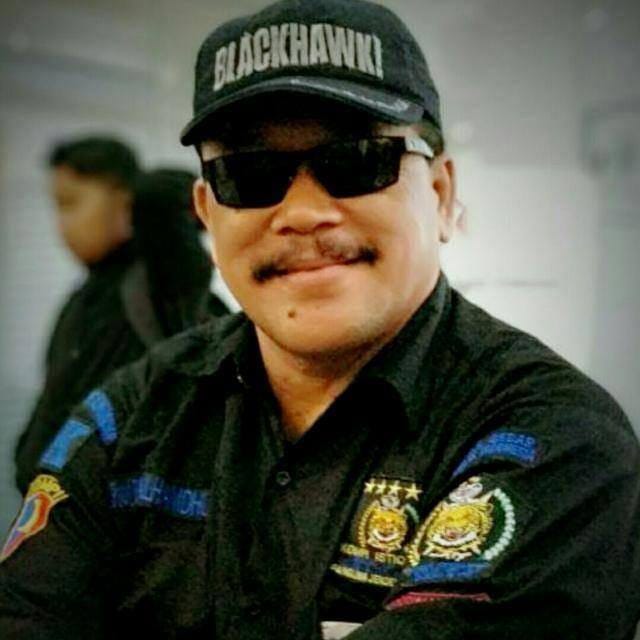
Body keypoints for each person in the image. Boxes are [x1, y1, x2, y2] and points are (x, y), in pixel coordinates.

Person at [1, 1, 639, 638]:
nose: (303, 213)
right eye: (249, 174)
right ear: (208, 214)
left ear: (441, 196)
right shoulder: (131, 418)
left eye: (358, 161)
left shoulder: (554, 440)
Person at [13, 137, 229, 493]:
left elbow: (160, 194)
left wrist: (144, 202)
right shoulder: (87, 295)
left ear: (124, 200)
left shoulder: (162, 279)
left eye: (71, 203)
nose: (61, 225)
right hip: (57, 509)